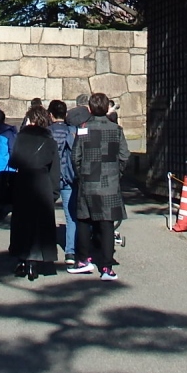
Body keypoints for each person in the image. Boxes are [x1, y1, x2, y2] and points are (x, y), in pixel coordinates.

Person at [69, 92, 130, 280]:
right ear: (106, 107)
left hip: (88, 180)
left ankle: (83, 260)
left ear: (90, 108)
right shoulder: (116, 129)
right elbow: (124, 155)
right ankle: (106, 267)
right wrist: (117, 174)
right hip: (110, 182)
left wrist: (81, 174)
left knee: (84, 220)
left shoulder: (83, 129)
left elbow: (75, 156)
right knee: (107, 224)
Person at [8, 105, 60, 280]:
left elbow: (14, 161)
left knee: (22, 222)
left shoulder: (21, 138)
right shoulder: (50, 141)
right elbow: (55, 169)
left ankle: (22, 258)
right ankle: (35, 261)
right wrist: (54, 192)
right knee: (40, 224)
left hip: (23, 182)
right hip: (43, 183)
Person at [47, 99, 79, 265]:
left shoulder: (47, 132)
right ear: (65, 114)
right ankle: (70, 252)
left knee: (46, 214)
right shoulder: (72, 131)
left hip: (49, 178)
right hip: (68, 176)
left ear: (50, 115)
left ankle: (45, 247)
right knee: (71, 216)